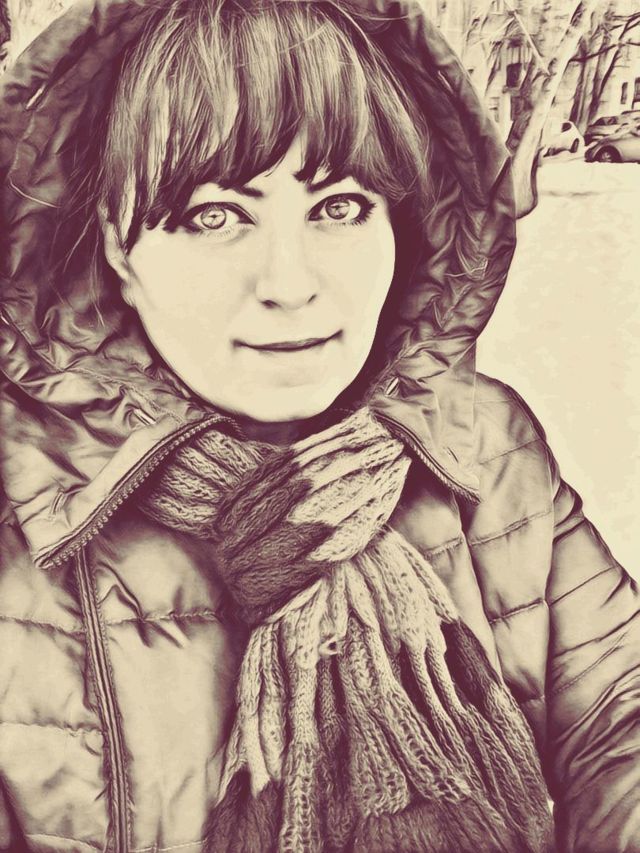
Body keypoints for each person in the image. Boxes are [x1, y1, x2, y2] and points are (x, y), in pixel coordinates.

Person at [0, 0, 638, 851]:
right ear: (119, 248)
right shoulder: (20, 497)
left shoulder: (480, 441)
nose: (290, 283)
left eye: (338, 207)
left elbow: (618, 721)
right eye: (215, 216)